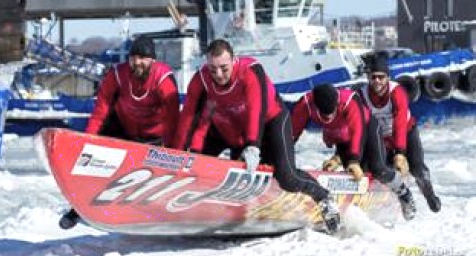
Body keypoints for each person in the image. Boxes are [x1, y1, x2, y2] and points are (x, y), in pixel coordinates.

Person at [173, 39, 341, 234]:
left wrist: (253, 145)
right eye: (212, 69)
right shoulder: (201, 79)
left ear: (234, 61)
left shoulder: (250, 70)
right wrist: (177, 156)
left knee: (286, 177)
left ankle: (324, 197)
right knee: (225, 172)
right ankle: (206, 207)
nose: (218, 74)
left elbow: (256, 110)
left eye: (224, 68)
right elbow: (189, 119)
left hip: (272, 121)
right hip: (237, 130)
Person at [59, 35, 180, 229]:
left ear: (152, 60)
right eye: (133, 57)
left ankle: (156, 210)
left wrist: (173, 151)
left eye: (143, 58)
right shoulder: (117, 74)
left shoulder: (163, 79)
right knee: (97, 163)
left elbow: (172, 119)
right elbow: (101, 110)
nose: (137, 62)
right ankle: (78, 209)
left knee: (145, 174)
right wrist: (90, 140)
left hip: (154, 137)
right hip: (124, 128)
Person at [291, 83, 417, 221]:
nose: (328, 117)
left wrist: (353, 160)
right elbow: (291, 133)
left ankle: (402, 191)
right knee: (353, 177)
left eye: (331, 112)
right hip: (342, 136)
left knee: (377, 169)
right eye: (323, 114)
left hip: (367, 129)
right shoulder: (305, 104)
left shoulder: (349, 101)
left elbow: (358, 132)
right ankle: (347, 205)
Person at [358, 55, 441, 212]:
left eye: (381, 77)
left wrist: (400, 152)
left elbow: (400, 121)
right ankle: (395, 198)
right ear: (368, 78)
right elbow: (358, 126)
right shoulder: (362, 95)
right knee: (376, 168)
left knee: (416, 168)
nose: (377, 81)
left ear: (388, 78)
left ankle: (430, 195)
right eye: (373, 77)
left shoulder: (396, 92)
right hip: (381, 137)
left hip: (406, 133)